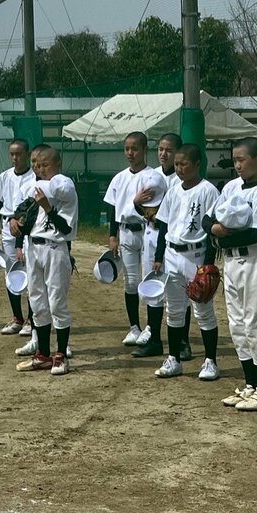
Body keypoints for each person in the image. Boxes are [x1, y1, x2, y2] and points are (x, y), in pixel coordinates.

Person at [208, 137, 257, 411]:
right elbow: (207, 219)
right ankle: (250, 384)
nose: (237, 165)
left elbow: (255, 234)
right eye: (235, 160)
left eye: (242, 159)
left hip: (253, 260)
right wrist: (216, 230)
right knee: (237, 326)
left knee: (254, 325)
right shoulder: (231, 187)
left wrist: (220, 237)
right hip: (231, 263)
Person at [150, 142, 222, 381]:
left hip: (196, 255)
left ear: (197, 164)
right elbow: (164, 226)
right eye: (177, 164)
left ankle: (210, 361)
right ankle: (174, 359)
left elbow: (211, 230)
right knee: (174, 310)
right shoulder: (173, 190)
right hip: (172, 254)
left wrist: (208, 265)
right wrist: (159, 257)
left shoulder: (208, 191)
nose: (179, 168)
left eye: (184, 164)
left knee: (203, 310)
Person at [14, 144, 78, 375]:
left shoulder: (64, 184)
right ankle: (42, 354)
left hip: (55, 248)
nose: (40, 169)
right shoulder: (37, 187)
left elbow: (65, 228)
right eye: (37, 165)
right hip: (34, 247)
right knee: (37, 302)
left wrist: (48, 208)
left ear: (57, 164)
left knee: (57, 303)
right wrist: (15, 222)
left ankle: (60, 355)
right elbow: (24, 209)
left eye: (45, 164)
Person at [103, 132, 166, 348]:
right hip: (126, 231)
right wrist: (112, 236)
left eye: (135, 148)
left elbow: (150, 209)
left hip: (147, 230)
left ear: (145, 150)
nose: (130, 153)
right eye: (127, 148)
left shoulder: (153, 177)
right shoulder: (119, 178)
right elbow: (113, 209)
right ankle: (134, 327)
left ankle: (150, 328)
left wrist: (134, 203)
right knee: (130, 282)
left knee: (149, 280)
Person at [130, 132, 185, 359]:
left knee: (178, 292)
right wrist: (138, 204)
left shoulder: (182, 180)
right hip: (151, 235)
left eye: (169, 150)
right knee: (152, 286)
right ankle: (154, 339)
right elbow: (143, 209)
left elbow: (170, 216)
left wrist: (154, 214)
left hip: (172, 239)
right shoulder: (151, 176)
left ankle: (182, 342)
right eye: (161, 149)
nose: (164, 154)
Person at [0, 139, 36, 340]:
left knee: (30, 274)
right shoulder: (5, 176)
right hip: (8, 227)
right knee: (11, 274)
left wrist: (20, 240)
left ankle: (31, 320)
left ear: (27, 155)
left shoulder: (34, 177)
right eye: (12, 154)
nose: (15, 158)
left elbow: (31, 208)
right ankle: (17, 318)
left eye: (19, 154)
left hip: (27, 228)